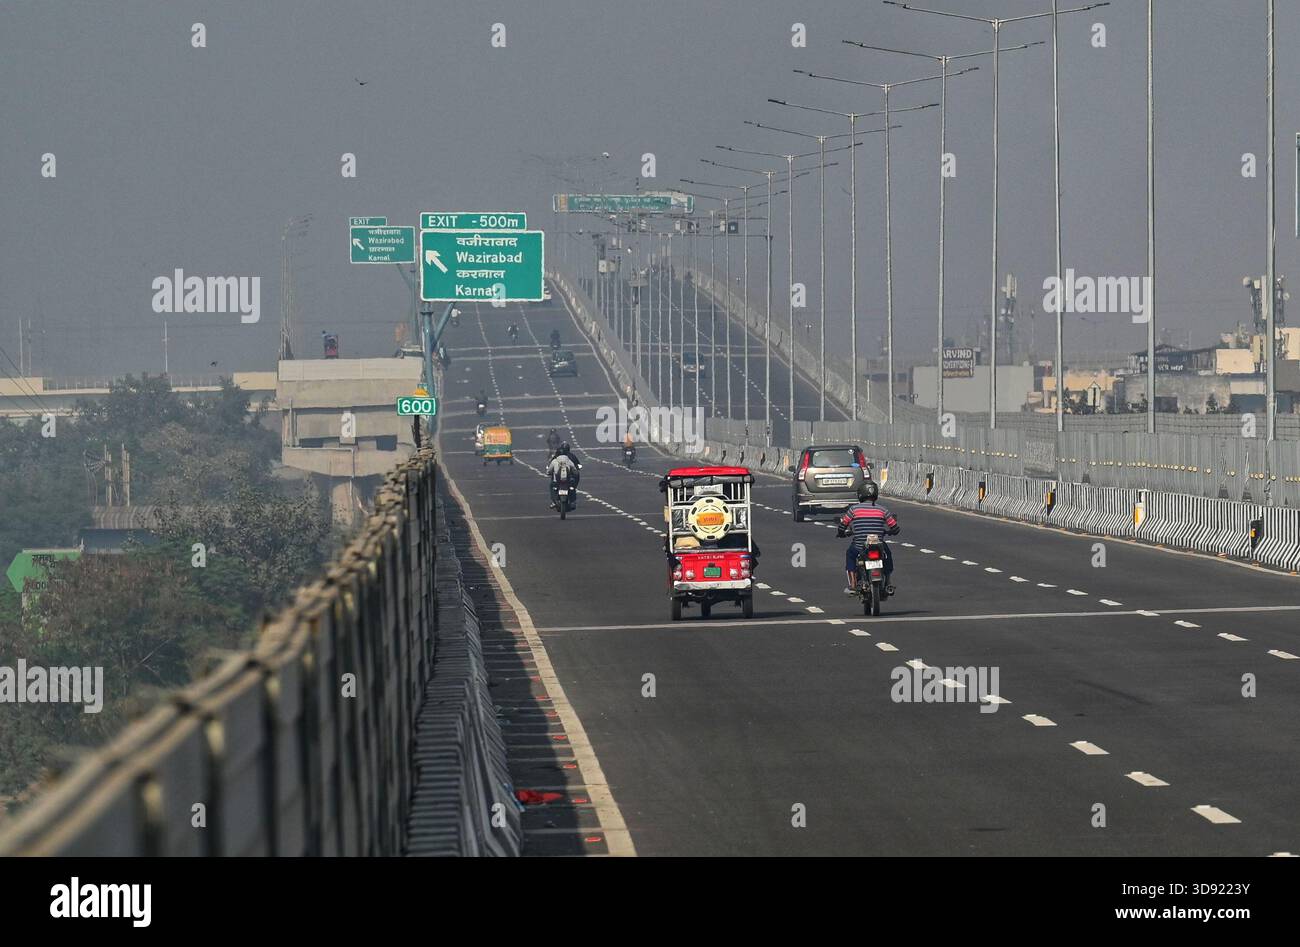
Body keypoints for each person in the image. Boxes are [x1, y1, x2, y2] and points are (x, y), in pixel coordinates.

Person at [838, 481, 899, 595]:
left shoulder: (854, 510)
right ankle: (888, 582)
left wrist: (841, 532)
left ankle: (853, 584)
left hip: (860, 545)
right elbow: (895, 527)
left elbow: (843, 525)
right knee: (888, 555)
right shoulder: (883, 510)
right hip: (879, 545)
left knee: (850, 555)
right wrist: (890, 531)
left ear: (860, 494)